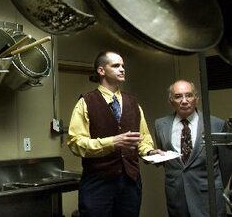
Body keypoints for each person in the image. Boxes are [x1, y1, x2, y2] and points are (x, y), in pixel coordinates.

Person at [67, 51, 163, 217]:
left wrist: (150, 151)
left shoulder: (133, 103)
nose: (122, 69)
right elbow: (76, 142)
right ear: (101, 70)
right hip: (98, 182)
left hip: (130, 182)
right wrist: (112, 142)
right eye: (116, 65)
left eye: (123, 66)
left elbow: (143, 137)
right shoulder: (86, 102)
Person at [154, 79, 227, 217]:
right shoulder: (160, 125)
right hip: (177, 197)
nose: (184, 100)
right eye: (178, 96)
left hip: (208, 196)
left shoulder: (216, 124)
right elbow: (168, 161)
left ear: (196, 99)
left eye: (189, 95)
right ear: (170, 101)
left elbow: (226, 164)